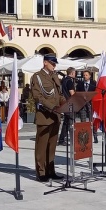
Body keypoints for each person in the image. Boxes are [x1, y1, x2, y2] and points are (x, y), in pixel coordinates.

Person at [30, 54, 65, 182]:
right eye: (52, 63)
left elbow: (59, 95)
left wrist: (67, 103)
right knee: (42, 146)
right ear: (45, 62)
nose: (54, 65)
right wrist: (53, 107)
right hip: (44, 116)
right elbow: (38, 97)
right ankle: (41, 172)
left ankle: (51, 170)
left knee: (52, 146)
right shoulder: (37, 77)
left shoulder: (55, 76)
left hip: (55, 116)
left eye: (55, 64)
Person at [76, 70, 98, 143]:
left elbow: (96, 93)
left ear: (90, 76)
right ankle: (84, 137)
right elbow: (77, 93)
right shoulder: (80, 84)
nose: (85, 76)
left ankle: (95, 136)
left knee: (92, 121)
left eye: (86, 75)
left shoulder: (93, 83)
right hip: (82, 105)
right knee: (83, 122)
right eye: (84, 75)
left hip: (91, 105)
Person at [58, 67, 76, 146]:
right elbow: (72, 93)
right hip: (69, 103)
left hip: (64, 102)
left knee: (66, 122)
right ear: (72, 73)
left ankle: (62, 139)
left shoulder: (64, 80)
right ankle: (72, 139)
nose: (75, 74)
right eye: (74, 73)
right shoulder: (69, 81)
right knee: (70, 121)